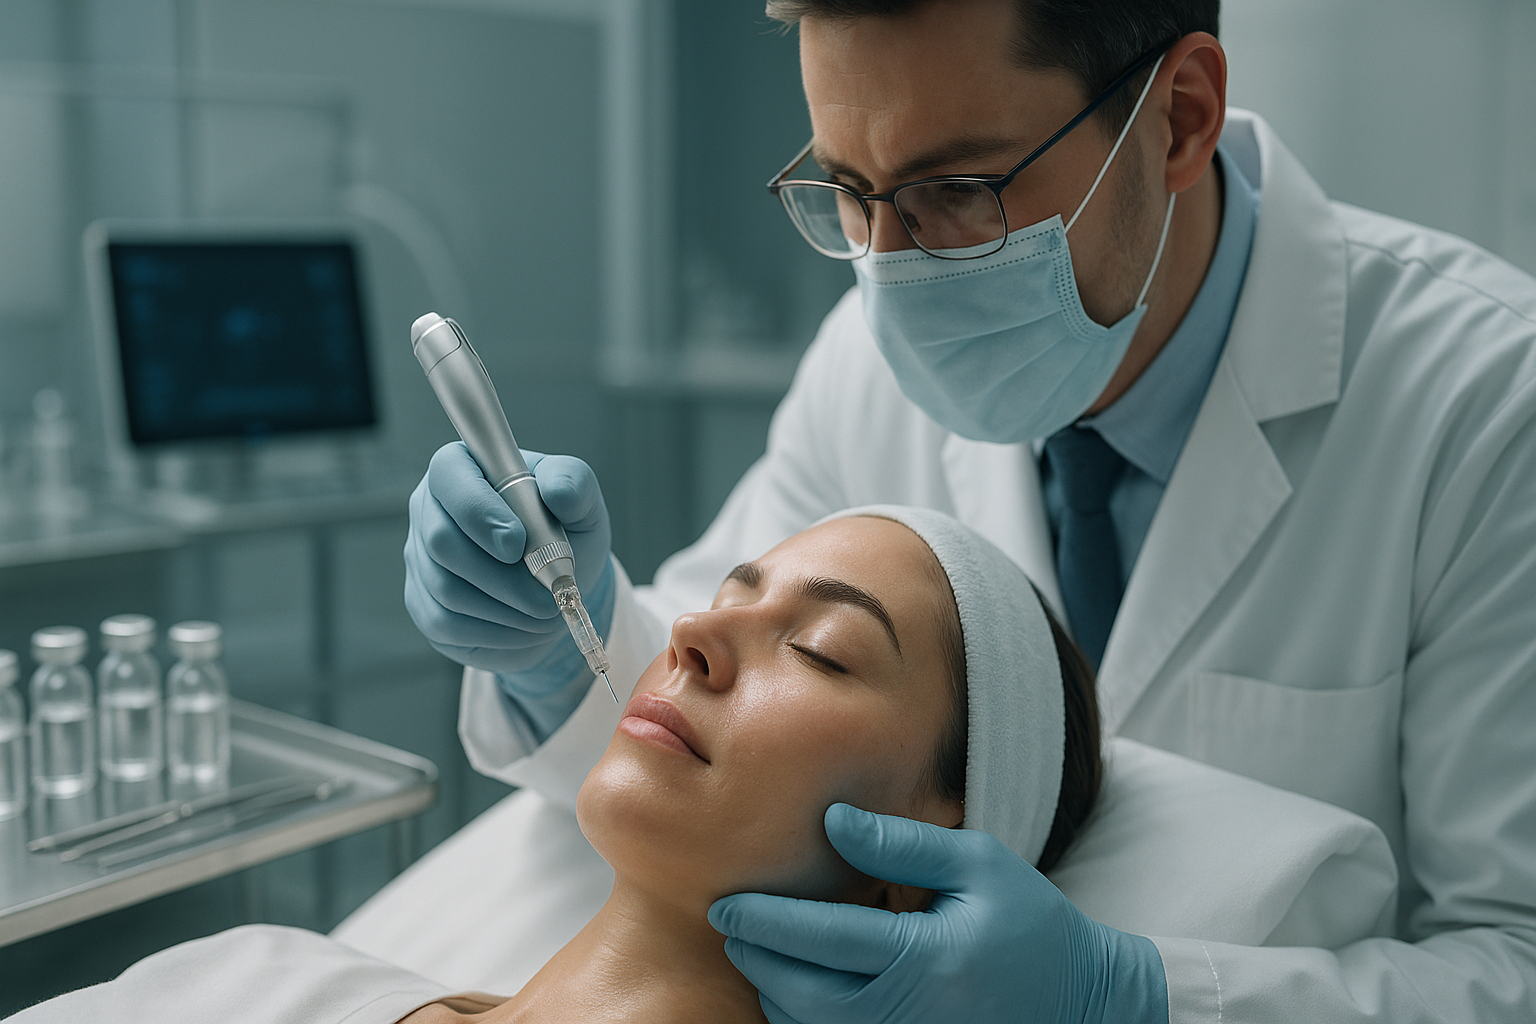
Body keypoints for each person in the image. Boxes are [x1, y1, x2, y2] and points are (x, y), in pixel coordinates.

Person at [403, 0, 1536, 1021]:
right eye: (848, 191)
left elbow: (1517, 961)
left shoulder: (1484, 409)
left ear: (1180, 118)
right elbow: (714, 716)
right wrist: (563, 647)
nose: (893, 274)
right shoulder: (863, 355)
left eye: (959, 192)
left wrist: (1134, 1003)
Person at [12, 509, 1105, 1024]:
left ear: (921, 868)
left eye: (820, 648)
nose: (687, 638)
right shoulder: (264, 978)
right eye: (728, 593)